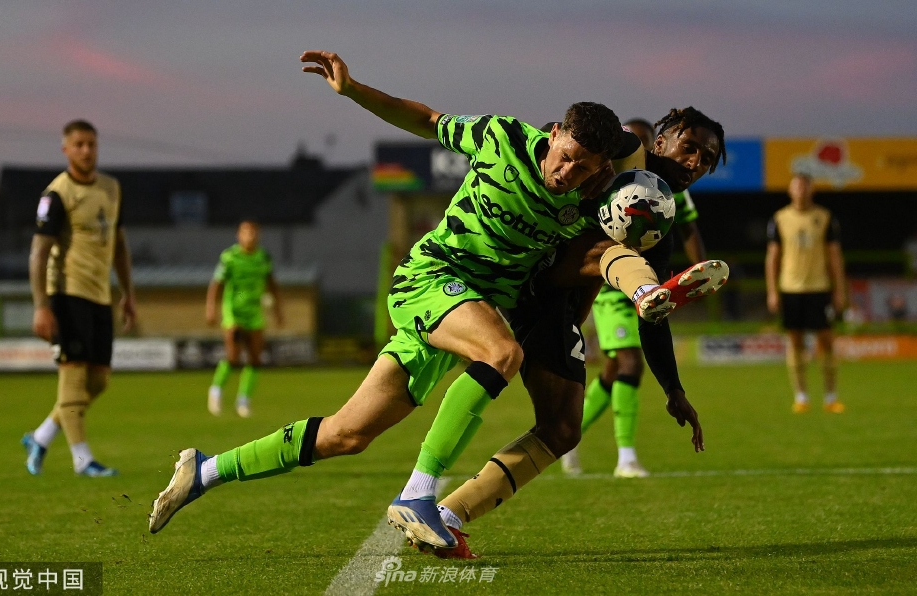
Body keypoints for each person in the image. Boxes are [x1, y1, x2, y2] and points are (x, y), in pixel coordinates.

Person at [147, 50, 701, 551]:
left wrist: (645, 289)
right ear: (554, 133)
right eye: (566, 156)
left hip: (466, 308)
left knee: (347, 434)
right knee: (502, 353)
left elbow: (608, 247)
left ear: (600, 169)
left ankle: (204, 471)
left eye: (583, 167)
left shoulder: (591, 201)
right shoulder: (501, 137)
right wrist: (354, 89)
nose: (567, 172)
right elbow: (426, 119)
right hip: (431, 279)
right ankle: (419, 494)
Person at [434, 107, 727, 558]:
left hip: (551, 307)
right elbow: (562, 139)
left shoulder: (658, 221)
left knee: (563, 429)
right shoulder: (618, 157)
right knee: (611, 253)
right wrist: (597, 162)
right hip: (514, 272)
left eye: (706, 159)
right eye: (690, 148)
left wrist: (673, 388)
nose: (695, 162)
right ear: (661, 141)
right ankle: (643, 286)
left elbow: (653, 322)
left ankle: (447, 515)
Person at [563, 116, 709, 478]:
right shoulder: (603, 178)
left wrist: (700, 273)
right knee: (630, 362)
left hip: (644, 284)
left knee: (614, 370)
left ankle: (569, 434)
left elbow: (688, 228)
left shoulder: (670, 193)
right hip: (610, 289)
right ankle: (626, 457)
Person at [21, 120, 137, 477]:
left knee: (98, 382)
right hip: (66, 294)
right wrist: (41, 306)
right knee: (72, 378)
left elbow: (119, 246)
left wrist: (128, 294)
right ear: (66, 150)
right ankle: (82, 459)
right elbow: (39, 253)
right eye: (79, 144)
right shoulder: (57, 193)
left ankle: (41, 436)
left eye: (91, 144)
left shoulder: (111, 188)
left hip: (100, 296)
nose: (86, 150)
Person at [765, 173, 847, 413]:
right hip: (790, 288)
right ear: (790, 191)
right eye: (797, 187)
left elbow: (835, 256)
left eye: (805, 187)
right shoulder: (780, 219)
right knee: (795, 342)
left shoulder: (825, 217)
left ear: (812, 190)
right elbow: (773, 258)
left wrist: (839, 290)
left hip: (819, 288)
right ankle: (801, 396)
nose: (801, 191)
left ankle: (831, 397)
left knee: (826, 341)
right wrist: (772, 291)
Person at [206, 220, 283, 418]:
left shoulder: (263, 257)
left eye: (253, 232)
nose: (250, 236)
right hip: (234, 313)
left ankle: (243, 401)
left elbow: (272, 283)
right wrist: (211, 308)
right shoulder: (229, 257)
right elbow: (216, 284)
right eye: (246, 232)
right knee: (233, 356)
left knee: (255, 359)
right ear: (238, 235)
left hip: (255, 313)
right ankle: (215, 391)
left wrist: (278, 310)